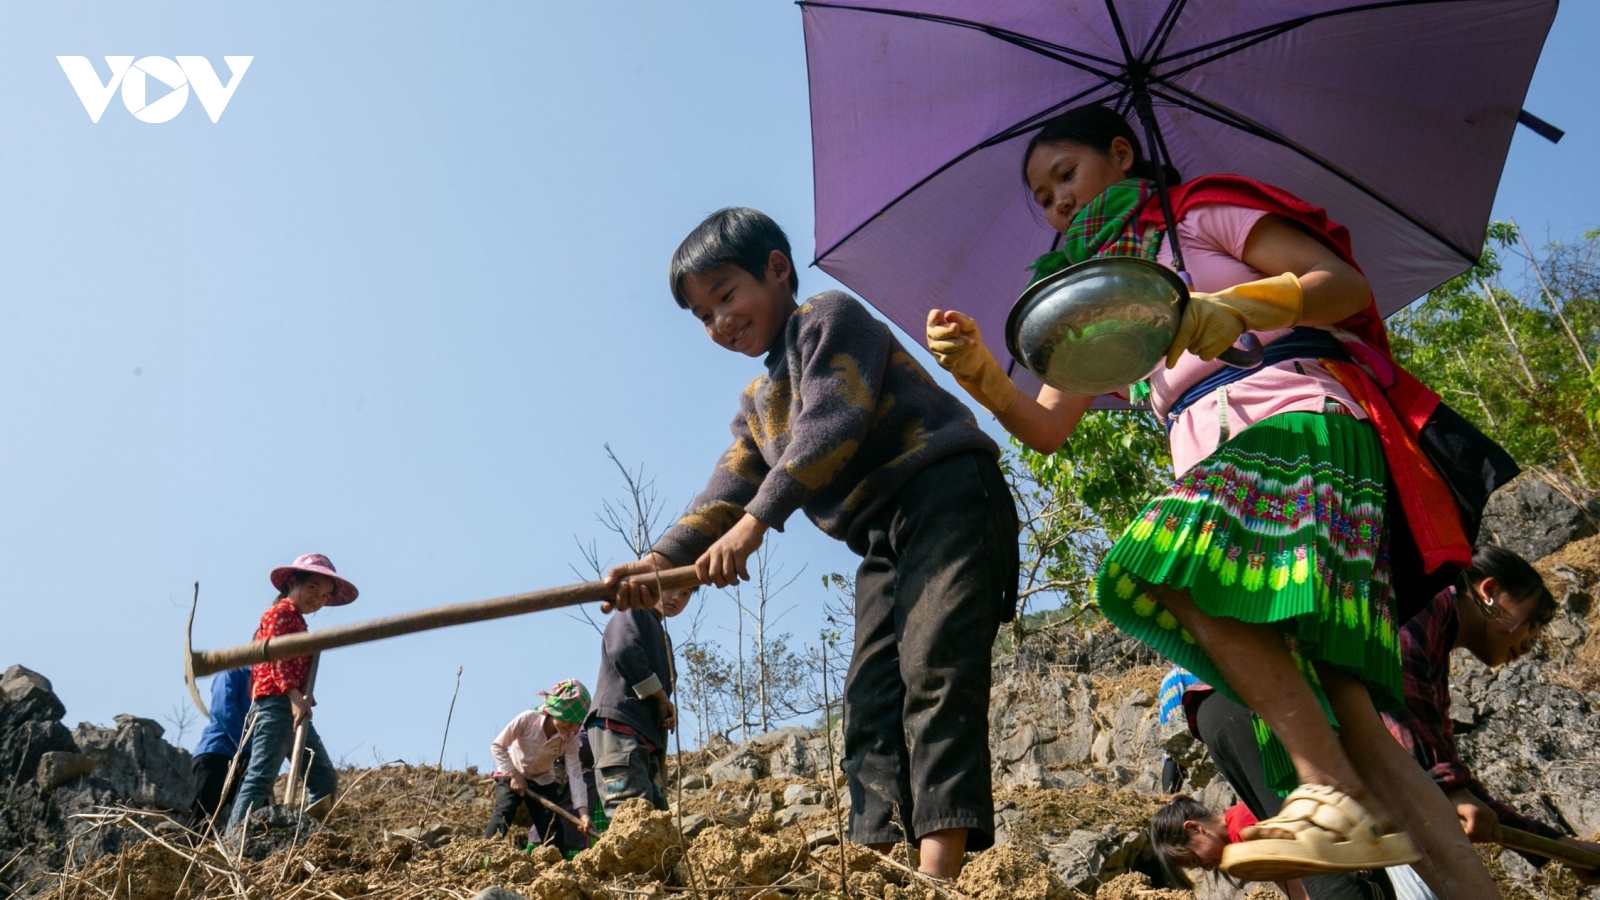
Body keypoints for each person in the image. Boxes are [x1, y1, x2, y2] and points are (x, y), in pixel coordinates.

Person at [924, 104, 1495, 894]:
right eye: (1043, 196)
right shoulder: (1099, 292)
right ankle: (1386, 821)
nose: (1058, 202)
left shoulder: (1200, 215)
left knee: (1160, 563)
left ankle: (1329, 792)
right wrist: (982, 373)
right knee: (1362, 729)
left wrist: (1240, 306)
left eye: (1066, 174)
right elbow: (1048, 426)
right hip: (1217, 463)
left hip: (1298, 422)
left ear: (1121, 153)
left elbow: (1343, 286)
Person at [605, 207, 1020, 879]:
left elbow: (833, 422)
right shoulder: (758, 402)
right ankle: (879, 866)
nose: (720, 321)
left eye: (726, 295)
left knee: (936, 671)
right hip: (880, 538)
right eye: (703, 316)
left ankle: (939, 872)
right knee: (870, 699)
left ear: (777, 268)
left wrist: (754, 526)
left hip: (946, 496)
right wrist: (662, 563)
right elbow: (726, 489)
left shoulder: (828, 318)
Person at [1382, 545, 1600, 888]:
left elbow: (1458, 783)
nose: (1528, 646)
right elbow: (1398, 692)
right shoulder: (1423, 607)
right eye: (1530, 625)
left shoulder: (1436, 654)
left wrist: (1561, 846)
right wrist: (1450, 789)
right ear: (1490, 590)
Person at [226, 553, 358, 830]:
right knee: (261, 778)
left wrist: (300, 699)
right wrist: (294, 696)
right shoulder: (279, 613)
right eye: (312, 588)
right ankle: (234, 838)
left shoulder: (298, 621)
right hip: (275, 704)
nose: (318, 599)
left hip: (294, 705)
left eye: (324, 595)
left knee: (323, 780)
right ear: (292, 583)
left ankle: (306, 836)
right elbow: (276, 657)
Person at [586, 586, 689, 820]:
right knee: (632, 815)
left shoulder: (662, 636)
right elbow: (624, 651)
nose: (676, 597)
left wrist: (664, 708)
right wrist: (661, 697)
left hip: (646, 738)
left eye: (686, 594)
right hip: (619, 726)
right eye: (671, 588)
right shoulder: (633, 611)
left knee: (656, 820)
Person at [485, 679, 592, 851]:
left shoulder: (569, 740)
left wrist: (584, 814)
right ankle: (485, 852)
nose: (573, 729)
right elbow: (497, 746)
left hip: (542, 781)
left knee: (551, 826)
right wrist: (515, 775)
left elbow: (576, 777)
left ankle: (556, 862)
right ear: (555, 712)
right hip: (511, 772)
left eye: (577, 724)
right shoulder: (527, 719)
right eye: (569, 722)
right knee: (505, 810)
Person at [188, 666, 252, 832]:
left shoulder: (258, 680)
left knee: (251, 816)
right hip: (218, 753)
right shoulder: (232, 673)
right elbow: (223, 710)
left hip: (243, 759)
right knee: (201, 819)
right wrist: (246, 746)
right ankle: (189, 848)